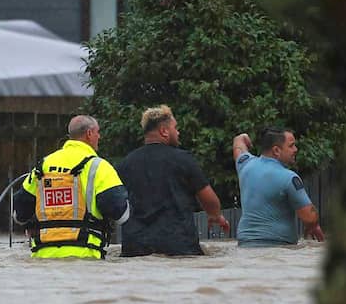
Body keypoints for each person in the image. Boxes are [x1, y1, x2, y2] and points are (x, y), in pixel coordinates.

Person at [117, 105, 228, 257]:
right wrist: (215, 215)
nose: (178, 132)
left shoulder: (125, 164)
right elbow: (209, 199)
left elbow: (116, 203)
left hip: (135, 247)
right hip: (178, 246)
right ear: (164, 131)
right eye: (175, 128)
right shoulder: (183, 159)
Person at [12, 115, 129, 259]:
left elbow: (19, 214)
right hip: (86, 256)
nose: (99, 136)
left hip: (42, 259)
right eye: (98, 132)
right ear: (89, 133)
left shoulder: (43, 165)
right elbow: (121, 214)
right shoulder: (99, 167)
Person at [232, 128, 324, 246]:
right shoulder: (289, 178)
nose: (295, 150)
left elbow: (238, 144)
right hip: (278, 248)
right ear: (276, 150)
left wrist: (242, 137)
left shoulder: (244, 164)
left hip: (244, 246)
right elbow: (310, 218)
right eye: (291, 146)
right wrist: (314, 225)